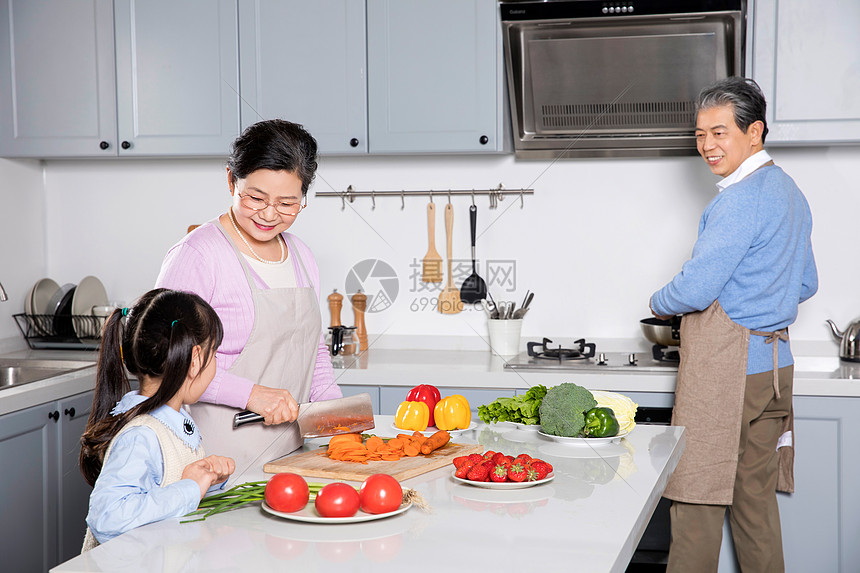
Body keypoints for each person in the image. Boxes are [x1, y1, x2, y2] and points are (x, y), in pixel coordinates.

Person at [650, 77, 818, 572]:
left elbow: (694, 291)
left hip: (728, 372)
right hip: (773, 370)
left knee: (697, 499)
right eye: (701, 135)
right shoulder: (790, 192)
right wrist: (764, 294)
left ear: (755, 132)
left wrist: (659, 300)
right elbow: (805, 283)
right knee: (754, 501)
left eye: (719, 133)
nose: (707, 146)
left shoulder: (738, 199)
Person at [155, 119, 341, 480]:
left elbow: (312, 351)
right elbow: (165, 360)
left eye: (287, 203)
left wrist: (338, 417)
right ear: (230, 180)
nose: (270, 214)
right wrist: (252, 394)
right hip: (212, 463)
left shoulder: (302, 256)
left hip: (290, 456)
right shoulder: (198, 255)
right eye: (256, 198)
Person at [79, 289, 235, 551]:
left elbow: (166, 491)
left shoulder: (175, 421)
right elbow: (107, 518)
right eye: (215, 355)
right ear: (195, 360)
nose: (216, 364)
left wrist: (208, 483)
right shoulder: (141, 434)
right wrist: (190, 488)